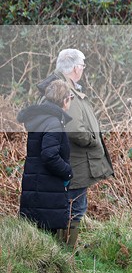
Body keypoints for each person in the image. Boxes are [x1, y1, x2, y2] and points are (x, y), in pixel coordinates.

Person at [37, 49, 113, 246]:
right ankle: (66, 253)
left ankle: (62, 251)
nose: (83, 70)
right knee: (74, 208)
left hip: (72, 160)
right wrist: (93, 140)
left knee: (69, 206)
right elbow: (73, 129)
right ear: (75, 68)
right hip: (75, 162)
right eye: (83, 66)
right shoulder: (64, 90)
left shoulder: (62, 86)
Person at [17, 80, 74, 242]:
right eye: (71, 97)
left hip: (37, 185)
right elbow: (49, 155)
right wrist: (67, 172)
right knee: (46, 238)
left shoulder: (42, 119)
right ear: (64, 100)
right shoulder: (53, 123)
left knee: (36, 238)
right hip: (47, 187)